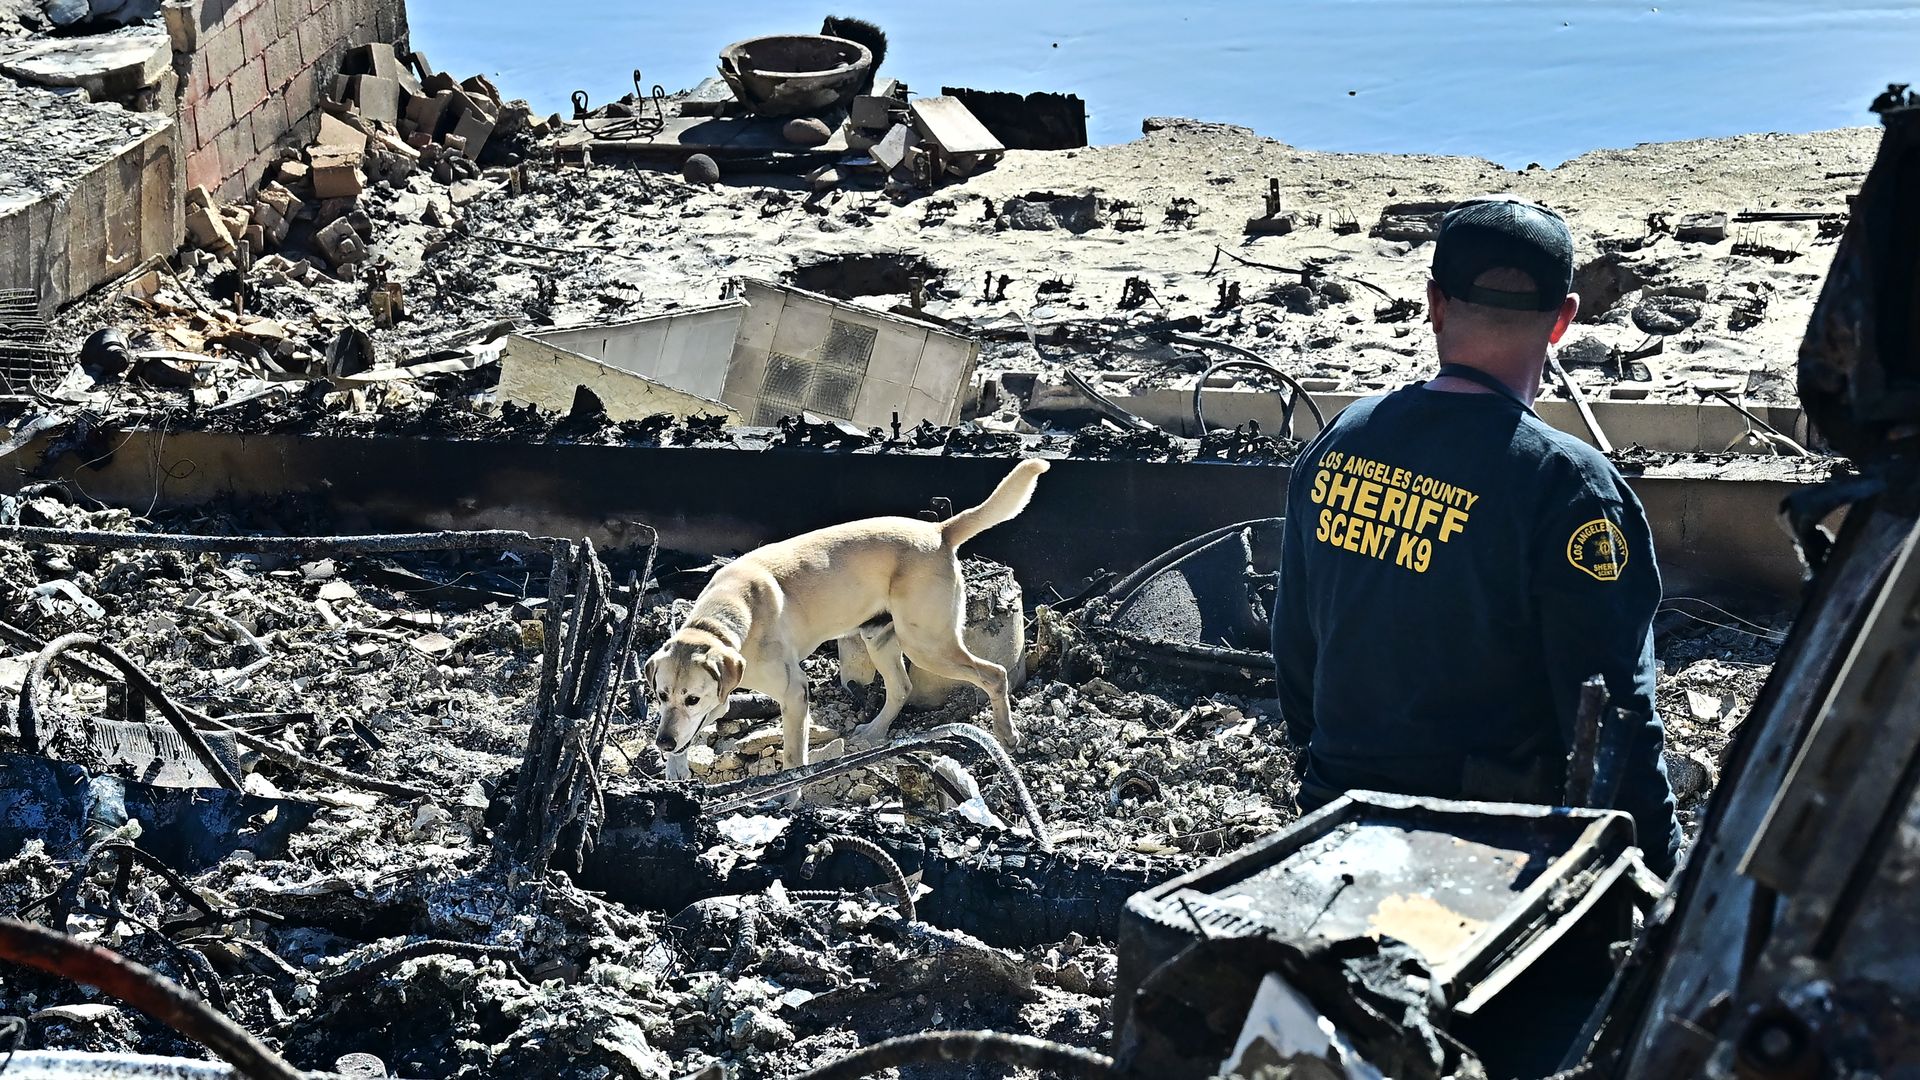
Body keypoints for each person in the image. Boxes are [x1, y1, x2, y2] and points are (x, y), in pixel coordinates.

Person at [1271, 194, 1682, 876]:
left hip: (1336, 830)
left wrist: (1329, 778)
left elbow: (1296, 656)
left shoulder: (1341, 441)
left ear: (1433, 303)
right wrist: (1665, 882)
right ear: (1563, 321)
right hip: (1485, 859)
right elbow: (1617, 718)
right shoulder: (1570, 487)